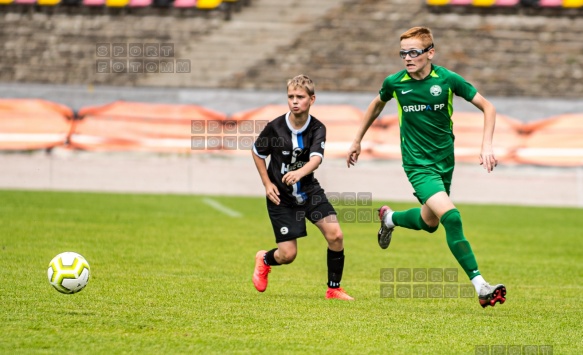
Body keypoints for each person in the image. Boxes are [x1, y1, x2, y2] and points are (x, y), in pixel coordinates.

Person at [346, 27, 506, 308]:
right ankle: (481, 286)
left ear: (430, 53)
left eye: (414, 52)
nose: (407, 58)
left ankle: (390, 219)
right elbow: (376, 104)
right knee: (452, 218)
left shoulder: (446, 80)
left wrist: (487, 145)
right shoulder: (395, 83)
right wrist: (357, 139)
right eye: (403, 53)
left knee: (429, 223)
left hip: (445, 163)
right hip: (417, 165)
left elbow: (488, 107)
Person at [251, 74, 354, 301]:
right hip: (281, 198)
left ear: (312, 99)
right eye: (290, 97)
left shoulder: (317, 128)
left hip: (309, 191)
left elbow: (317, 158)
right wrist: (267, 184)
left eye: (300, 97)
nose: (294, 101)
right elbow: (258, 153)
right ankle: (264, 259)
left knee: (336, 235)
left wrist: (299, 173)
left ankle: (333, 289)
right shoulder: (275, 128)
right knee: (288, 255)